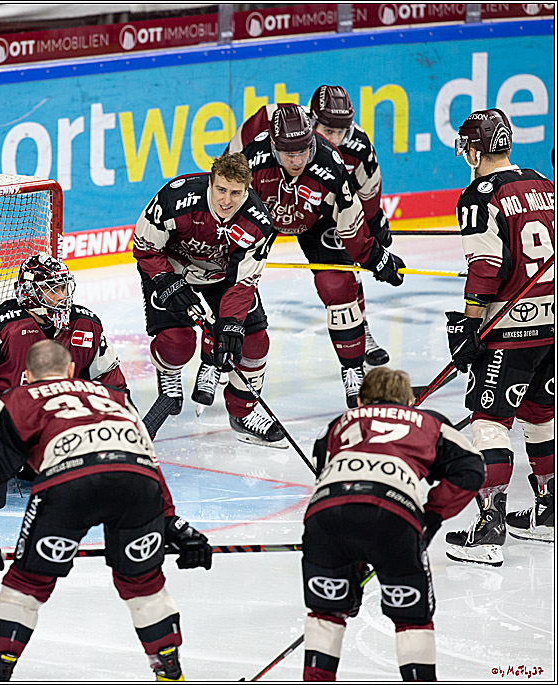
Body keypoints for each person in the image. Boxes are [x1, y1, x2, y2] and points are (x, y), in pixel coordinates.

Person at [0, 340, 211, 681]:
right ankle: (169, 671)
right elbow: (147, 459)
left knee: (27, 583)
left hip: (68, 482)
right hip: (136, 482)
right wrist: (168, 520)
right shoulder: (114, 397)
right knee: (144, 585)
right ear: (72, 370)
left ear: (27, 376)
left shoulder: (18, 397)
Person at [302, 367, 484, 681]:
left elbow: (328, 477)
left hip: (325, 517)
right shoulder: (428, 422)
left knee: (326, 614)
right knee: (412, 619)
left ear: (359, 400)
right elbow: (472, 469)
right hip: (394, 519)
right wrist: (432, 516)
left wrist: (350, 569)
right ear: (411, 401)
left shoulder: (336, 425)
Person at [443, 108, 555, 566]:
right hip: (551, 323)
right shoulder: (543, 184)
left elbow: (485, 267)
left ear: (473, 149)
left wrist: (471, 324)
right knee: (540, 413)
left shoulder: (479, 195)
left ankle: (491, 525)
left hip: (508, 328)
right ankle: (548, 511)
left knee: (489, 422)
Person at [238, 103, 406, 407]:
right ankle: (218, 363)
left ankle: (353, 370)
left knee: (338, 285)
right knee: (235, 284)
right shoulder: (251, 157)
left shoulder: (330, 161)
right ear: (274, 147)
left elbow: (351, 220)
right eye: (290, 154)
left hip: (318, 220)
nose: (298, 160)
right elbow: (226, 204)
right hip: (262, 217)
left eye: (304, 151)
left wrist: (376, 256)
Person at [133, 150, 285, 445]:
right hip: (170, 268)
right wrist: (168, 283)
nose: (226, 200)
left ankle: (243, 411)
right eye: (221, 189)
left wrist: (230, 324)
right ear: (210, 183)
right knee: (178, 344)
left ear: (248, 189)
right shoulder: (175, 199)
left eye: (236, 193)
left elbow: (241, 283)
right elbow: (145, 247)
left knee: (253, 341)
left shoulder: (258, 223)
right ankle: (170, 374)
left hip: (222, 276)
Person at [0, 252, 125, 437]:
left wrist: (122, 426)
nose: (61, 297)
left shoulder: (85, 325)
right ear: (29, 292)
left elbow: (111, 382)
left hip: (54, 430)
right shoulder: (0, 325)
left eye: (63, 287)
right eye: (51, 289)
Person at [308, 85, 393, 367]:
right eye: (327, 131)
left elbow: (368, 191)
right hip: (285, 209)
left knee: (342, 277)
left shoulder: (358, 145)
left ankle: (360, 328)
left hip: (329, 216)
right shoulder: (293, 139)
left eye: (340, 132)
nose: (334, 139)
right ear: (311, 121)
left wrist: (373, 223)